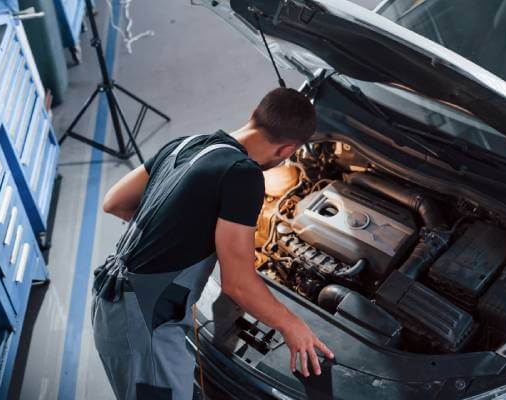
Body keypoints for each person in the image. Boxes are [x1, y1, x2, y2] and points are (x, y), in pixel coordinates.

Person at [91, 88, 333, 400]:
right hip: (146, 324)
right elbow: (238, 285)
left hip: (116, 300)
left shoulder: (186, 144)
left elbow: (114, 201)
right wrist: (292, 325)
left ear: (254, 116)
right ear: (287, 150)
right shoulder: (243, 175)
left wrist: (179, 230)